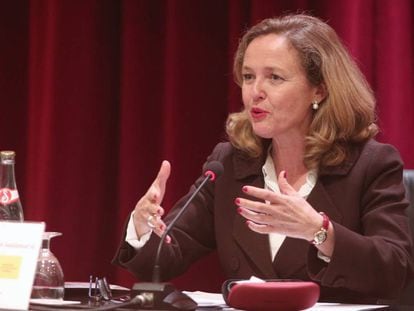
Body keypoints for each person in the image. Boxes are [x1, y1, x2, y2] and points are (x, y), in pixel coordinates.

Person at [113, 14, 414, 303]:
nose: (255, 92)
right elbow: (165, 260)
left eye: (275, 77)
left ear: (319, 90)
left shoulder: (370, 164)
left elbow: (394, 270)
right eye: (248, 76)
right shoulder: (230, 164)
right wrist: (142, 227)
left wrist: (320, 231)